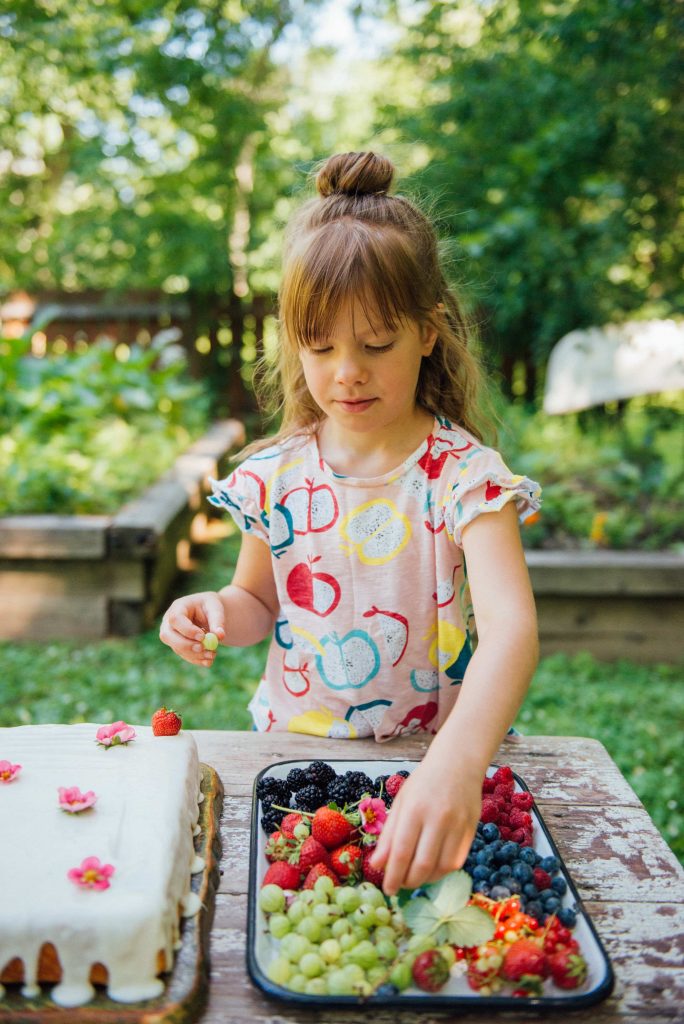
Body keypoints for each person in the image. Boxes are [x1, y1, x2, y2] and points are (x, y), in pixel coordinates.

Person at [160, 151, 541, 896]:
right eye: (320, 346)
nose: (345, 372)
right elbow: (259, 603)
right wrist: (211, 612)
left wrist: (456, 765)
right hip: (294, 767)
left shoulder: (464, 477)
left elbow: (512, 629)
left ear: (429, 333)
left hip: (431, 765)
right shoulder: (276, 474)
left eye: (375, 344)